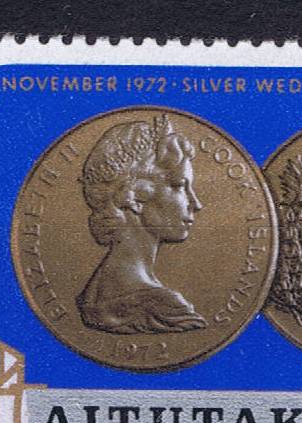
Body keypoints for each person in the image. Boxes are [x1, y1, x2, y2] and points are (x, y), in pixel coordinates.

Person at [75, 114, 207, 335]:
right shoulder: (167, 307)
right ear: (135, 196)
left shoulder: (91, 295)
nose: (196, 204)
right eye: (179, 186)